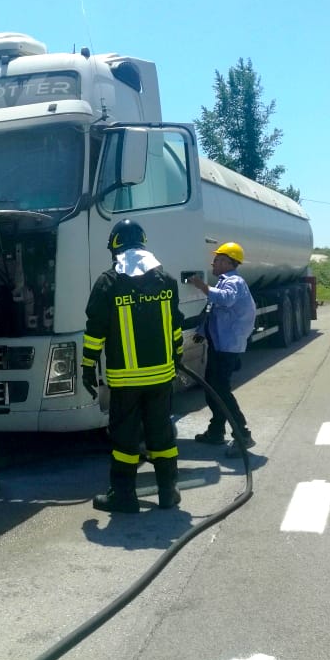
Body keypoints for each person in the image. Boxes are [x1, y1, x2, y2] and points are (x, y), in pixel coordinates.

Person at [82, 219, 185, 513]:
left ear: (115, 247)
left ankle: (124, 496)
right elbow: (175, 326)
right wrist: (177, 357)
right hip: (161, 376)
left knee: (125, 438)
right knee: (161, 433)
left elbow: (95, 331)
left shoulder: (109, 283)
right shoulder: (166, 280)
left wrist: (87, 367)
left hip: (126, 381)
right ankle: (168, 491)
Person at [188, 241, 257, 457]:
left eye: (218, 260)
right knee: (213, 389)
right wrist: (202, 330)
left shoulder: (234, 282)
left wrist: (201, 285)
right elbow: (213, 310)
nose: (213, 263)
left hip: (227, 346)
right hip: (220, 344)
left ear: (228, 262)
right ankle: (216, 431)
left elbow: (225, 301)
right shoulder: (223, 282)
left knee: (221, 391)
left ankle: (243, 434)